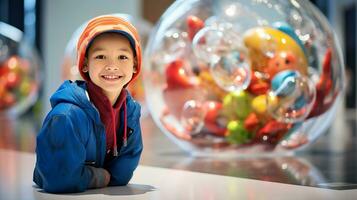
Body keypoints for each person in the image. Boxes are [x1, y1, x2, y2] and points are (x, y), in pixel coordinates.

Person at [33, 15, 143, 193]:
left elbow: (122, 174)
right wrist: (102, 177)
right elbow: (59, 179)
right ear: (84, 64)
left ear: (135, 65)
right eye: (100, 56)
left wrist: (91, 175)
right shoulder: (66, 117)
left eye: (122, 57)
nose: (112, 65)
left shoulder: (130, 111)